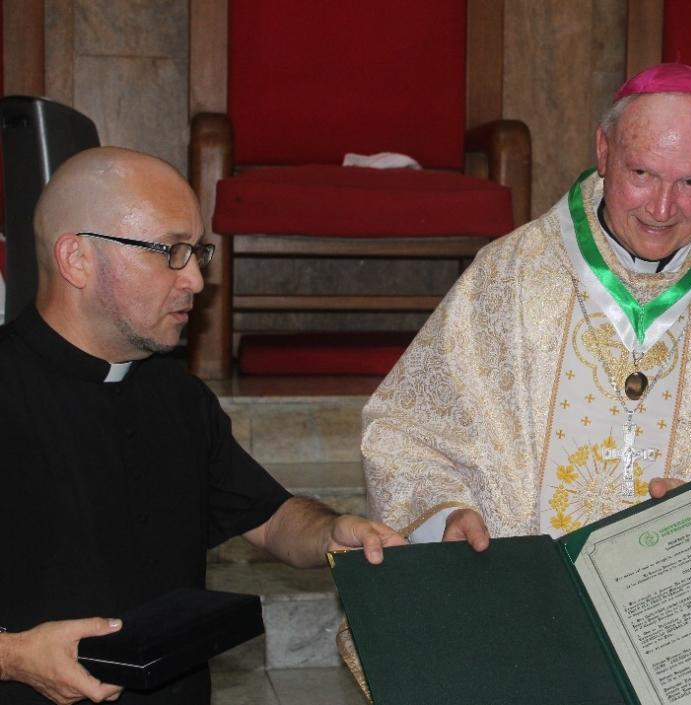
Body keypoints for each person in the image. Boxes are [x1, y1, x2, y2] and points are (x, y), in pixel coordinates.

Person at [0, 147, 405, 705]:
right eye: (171, 251)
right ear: (77, 259)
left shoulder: (178, 394)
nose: (195, 278)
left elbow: (268, 517)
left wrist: (329, 534)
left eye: (197, 253)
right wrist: (15, 657)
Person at [361, 63, 691, 546]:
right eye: (642, 173)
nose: (661, 209)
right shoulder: (510, 275)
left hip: (680, 598)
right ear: (604, 152)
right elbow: (407, 431)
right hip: (531, 599)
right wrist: (447, 514)